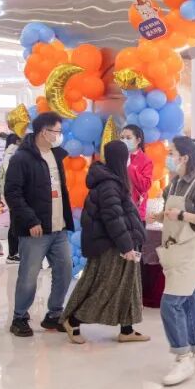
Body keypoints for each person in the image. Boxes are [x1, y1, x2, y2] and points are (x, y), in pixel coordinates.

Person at [62, 140, 147, 345]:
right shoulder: (110, 184)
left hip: (118, 242)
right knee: (106, 287)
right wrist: (126, 246)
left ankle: (127, 329)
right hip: (111, 246)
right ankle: (73, 321)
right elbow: (113, 218)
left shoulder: (113, 181)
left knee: (128, 286)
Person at [4, 112, 75, 337]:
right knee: (29, 275)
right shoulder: (22, 158)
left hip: (59, 228)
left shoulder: (56, 155)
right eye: (57, 131)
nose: (60, 135)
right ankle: (20, 317)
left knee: (65, 269)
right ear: (44, 132)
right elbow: (12, 193)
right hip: (35, 230)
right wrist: (31, 220)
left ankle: (54, 314)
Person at [157, 135, 195, 386]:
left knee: (170, 304)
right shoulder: (173, 184)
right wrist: (161, 215)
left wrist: (182, 215)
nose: (168, 157)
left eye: (171, 153)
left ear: (184, 157)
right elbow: (170, 212)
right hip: (177, 250)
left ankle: (182, 358)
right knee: (190, 300)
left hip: (193, 252)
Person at [121, 125, 153, 222]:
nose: (124, 140)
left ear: (138, 140)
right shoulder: (118, 157)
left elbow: (145, 186)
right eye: (122, 137)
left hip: (136, 212)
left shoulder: (146, 160)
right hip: (118, 210)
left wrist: (130, 167)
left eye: (128, 138)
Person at [0, 132, 22, 263]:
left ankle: (13, 253)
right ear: (17, 141)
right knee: (16, 223)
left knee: (14, 222)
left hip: (10, 193)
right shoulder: (14, 154)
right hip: (15, 193)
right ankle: (13, 253)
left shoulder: (8, 153)